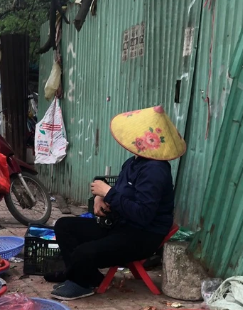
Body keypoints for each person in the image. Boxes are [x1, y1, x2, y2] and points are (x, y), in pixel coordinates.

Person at [47, 105, 185, 300]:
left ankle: (80, 281)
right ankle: (86, 276)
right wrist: (100, 198)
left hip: (142, 236)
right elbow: (121, 194)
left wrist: (108, 192)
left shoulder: (155, 170)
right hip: (121, 225)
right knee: (64, 226)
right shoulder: (133, 162)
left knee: (83, 253)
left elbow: (143, 215)